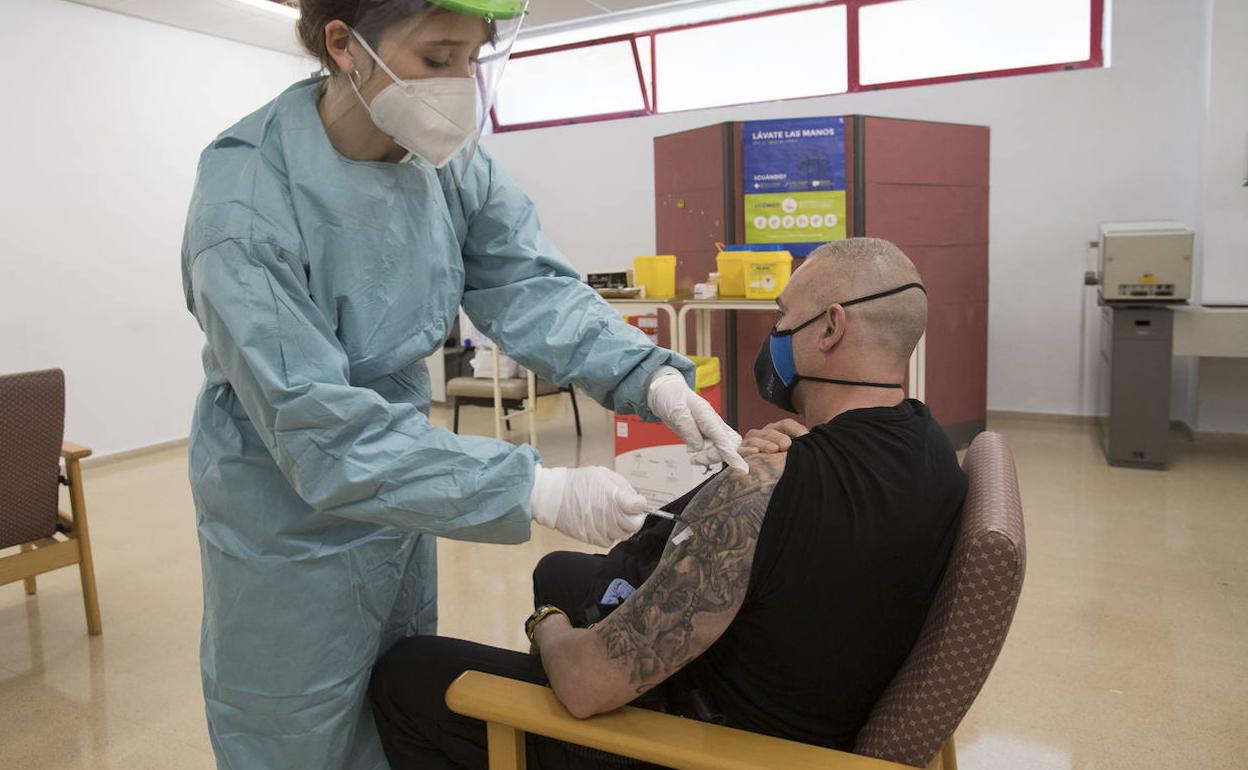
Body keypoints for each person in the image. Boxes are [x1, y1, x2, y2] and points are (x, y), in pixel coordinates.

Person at [179, 2, 746, 767]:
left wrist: (649, 377)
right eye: (438, 58)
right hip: (285, 505)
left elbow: (528, 284)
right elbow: (317, 428)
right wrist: (536, 490)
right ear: (344, 46)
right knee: (297, 723)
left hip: (406, 474)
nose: (461, 86)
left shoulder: (442, 163)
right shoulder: (247, 198)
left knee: (396, 688)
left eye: (474, 60)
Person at [367, 238, 969, 769]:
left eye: (784, 316)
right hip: (800, 696)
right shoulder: (932, 449)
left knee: (408, 673)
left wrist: (545, 623)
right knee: (559, 570)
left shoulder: (763, 491)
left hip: (698, 747)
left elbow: (581, 687)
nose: (776, 333)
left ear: (832, 328)